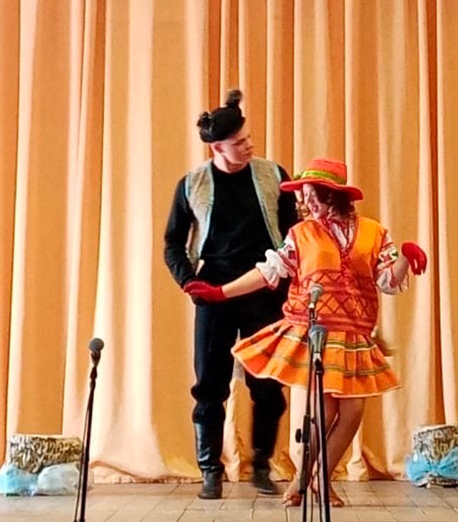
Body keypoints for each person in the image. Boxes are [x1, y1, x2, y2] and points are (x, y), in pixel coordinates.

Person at [185, 157, 428, 506]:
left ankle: (311, 480)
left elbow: (388, 281)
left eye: (313, 195)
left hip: (354, 334)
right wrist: (221, 292)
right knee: (325, 413)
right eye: (304, 195)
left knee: (353, 412)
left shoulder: (374, 233)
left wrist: (405, 257)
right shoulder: (301, 234)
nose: (306, 202)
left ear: (333, 194)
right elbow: (268, 272)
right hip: (317, 332)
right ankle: (311, 482)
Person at [164, 89, 298, 499]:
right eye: (239, 142)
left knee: (267, 383)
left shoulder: (274, 175)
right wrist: (188, 281)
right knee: (210, 384)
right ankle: (210, 469)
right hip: (213, 291)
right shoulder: (192, 184)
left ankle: (261, 464)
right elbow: (172, 242)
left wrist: (289, 277)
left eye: (249, 137)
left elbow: (293, 233)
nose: (249, 145)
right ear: (217, 147)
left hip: (266, 289)